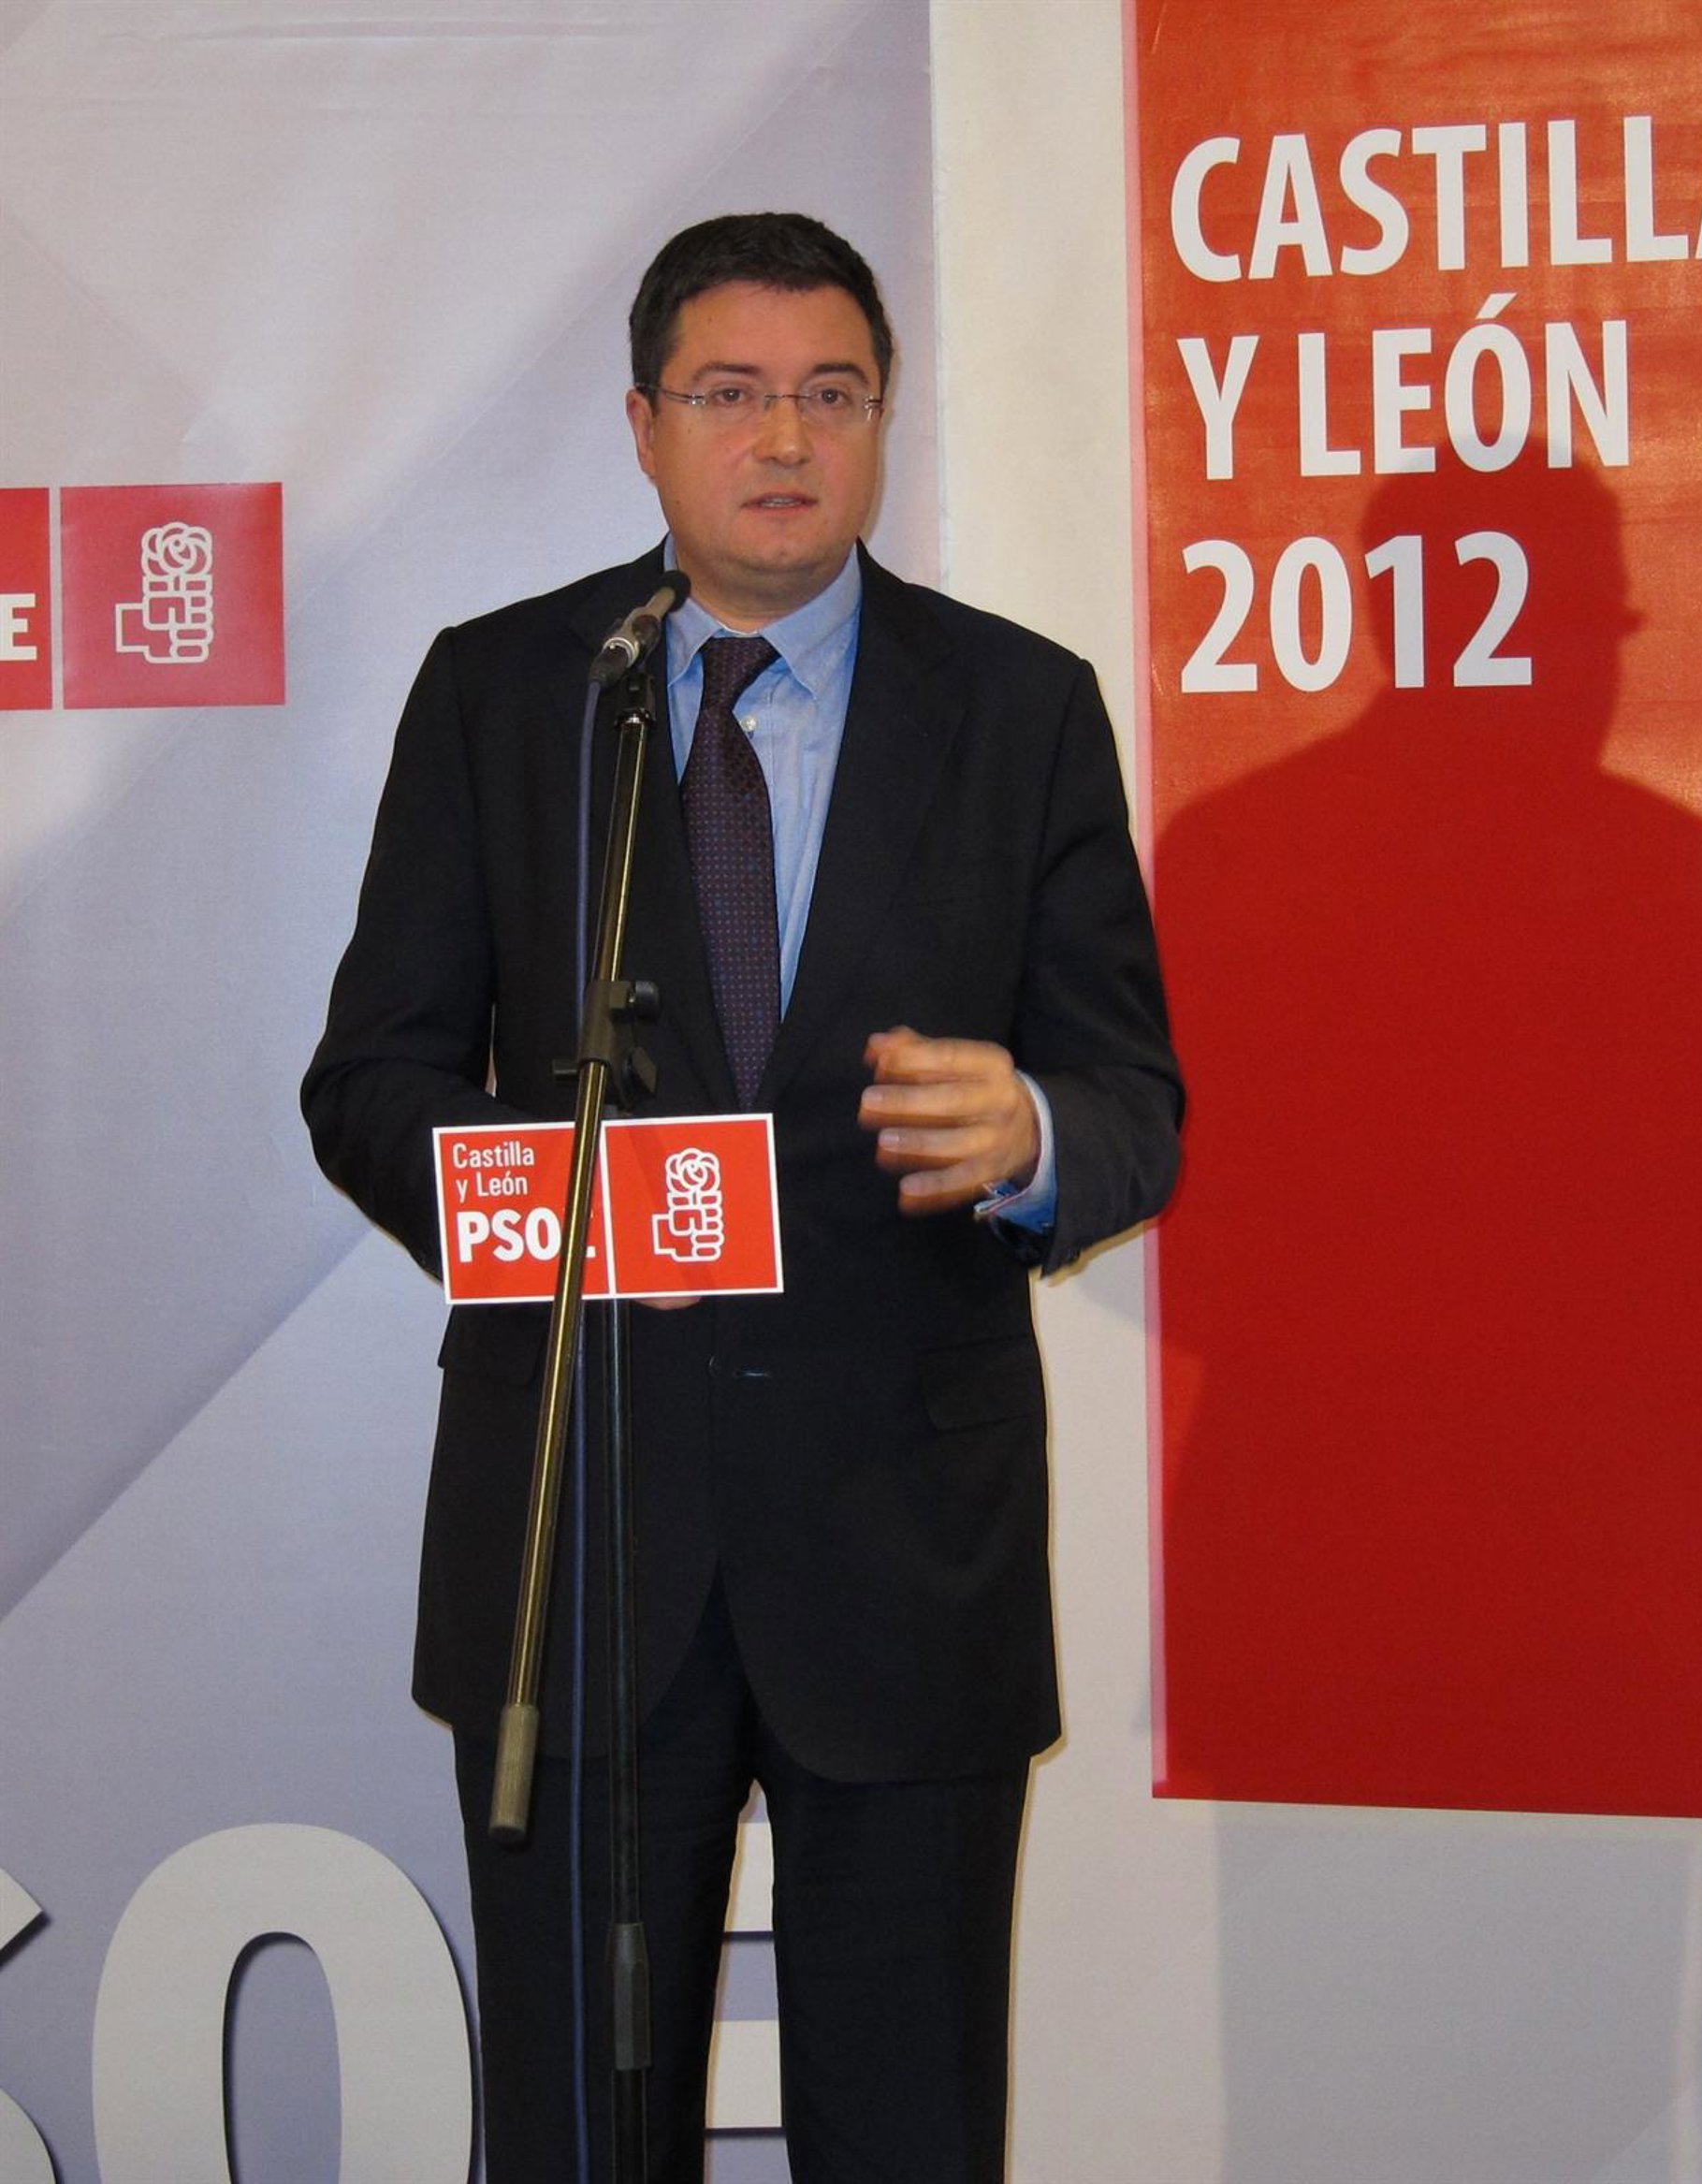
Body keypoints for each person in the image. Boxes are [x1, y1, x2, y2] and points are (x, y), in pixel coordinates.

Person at [302, 211, 1182, 2184]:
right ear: (643, 425)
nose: (785, 437)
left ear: (882, 421)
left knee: (912, 2136)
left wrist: (1034, 1133)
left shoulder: (1019, 706)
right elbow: (368, 1080)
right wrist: (576, 1210)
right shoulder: (513, 692)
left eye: (831, 394)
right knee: (583, 2138)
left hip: (907, 1552)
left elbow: (1137, 1102)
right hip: (582, 1533)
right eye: (730, 393)